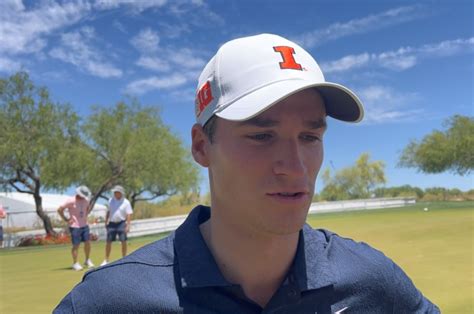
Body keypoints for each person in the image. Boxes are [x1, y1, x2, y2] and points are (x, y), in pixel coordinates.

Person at [55, 34, 439, 313]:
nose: (295, 166)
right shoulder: (111, 301)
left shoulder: (372, 281)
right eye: (261, 135)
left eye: (310, 136)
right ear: (202, 146)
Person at [57, 185, 94, 271]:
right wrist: (66, 219)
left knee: (88, 243)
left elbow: (87, 209)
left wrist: (85, 216)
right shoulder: (70, 200)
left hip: (84, 225)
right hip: (75, 226)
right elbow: (59, 209)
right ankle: (75, 263)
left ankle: (87, 260)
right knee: (76, 245)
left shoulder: (86, 201)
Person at [100, 185, 133, 266]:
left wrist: (128, 225)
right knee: (108, 241)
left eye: (117, 192)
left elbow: (129, 214)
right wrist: (106, 221)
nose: (115, 193)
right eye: (114, 192)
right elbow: (108, 211)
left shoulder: (126, 202)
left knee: (123, 241)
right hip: (111, 223)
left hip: (121, 223)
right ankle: (106, 259)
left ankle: (124, 258)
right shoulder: (111, 200)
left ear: (120, 193)